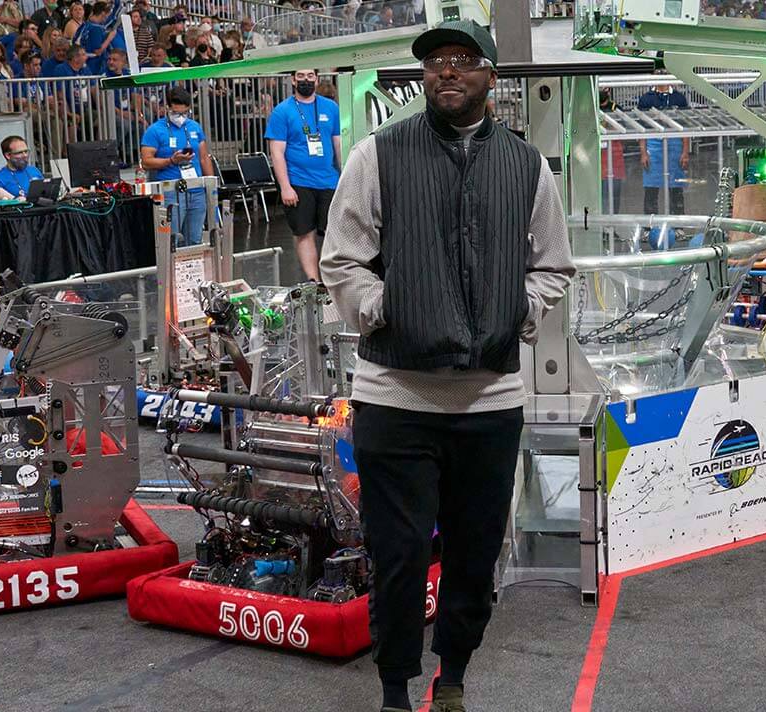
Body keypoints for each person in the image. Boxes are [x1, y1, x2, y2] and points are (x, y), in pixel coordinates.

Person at [320, 21, 575, 712]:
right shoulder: (379, 154)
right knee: (399, 555)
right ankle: (395, 688)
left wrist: (513, 311)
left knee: (472, 554)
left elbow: (553, 265)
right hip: (394, 396)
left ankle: (454, 674)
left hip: (489, 402)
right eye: (435, 63)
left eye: (463, 61)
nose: (446, 72)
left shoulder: (526, 165)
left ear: (492, 76)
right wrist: (385, 310)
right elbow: (341, 257)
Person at [265, 67, 339, 281]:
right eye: (300, 76)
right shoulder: (282, 111)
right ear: (292, 80)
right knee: (304, 233)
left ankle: (331, 279)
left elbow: (338, 144)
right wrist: (285, 187)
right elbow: (276, 153)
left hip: (329, 180)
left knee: (332, 234)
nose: (305, 80)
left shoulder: (330, 108)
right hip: (298, 181)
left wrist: (345, 176)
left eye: (309, 76)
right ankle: (314, 281)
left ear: (316, 79)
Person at [140, 87, 213, 246]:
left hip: (196, 190)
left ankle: (191, 270)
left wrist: (211, 186)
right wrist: (170, 161)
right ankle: (171, 270)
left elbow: (204, 157)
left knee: (194, 239)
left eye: (184, 113)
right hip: (170, 191)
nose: (180, 117)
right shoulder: (154, 130)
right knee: (171, 241)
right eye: (176, 113)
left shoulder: (194, 127)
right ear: (167, 108)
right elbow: (146, 161)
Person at [636, 83, 689, 214]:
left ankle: (678, 225)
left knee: (676, 187)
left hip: (675, 144)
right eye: (658, 72)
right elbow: (641, 128)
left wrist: (685, 151)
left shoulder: (679, 98)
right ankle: (650, 226)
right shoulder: (646, 99)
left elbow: (686, 127)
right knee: (651, 187)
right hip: (653, 145)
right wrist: (643, 152)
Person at [599, 88, 625, 212]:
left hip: (614, 156)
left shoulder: (616, 109)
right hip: (597, 157)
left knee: (615, 193)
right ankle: (601, 228)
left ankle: (612, 227)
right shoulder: (589, 108)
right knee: (600, 194)